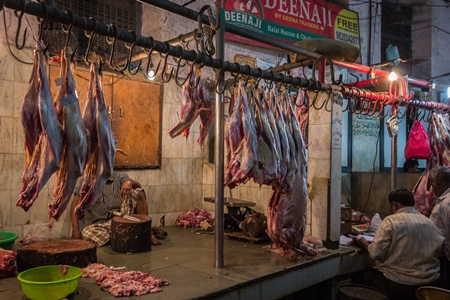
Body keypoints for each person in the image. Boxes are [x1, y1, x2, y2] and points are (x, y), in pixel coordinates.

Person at [352, 187, 444, 300]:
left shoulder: (390, 221)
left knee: (358, 278)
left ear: (394, 205)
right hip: (429, 285)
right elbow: (440, 250)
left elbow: (376, 254)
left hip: (397, 283)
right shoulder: (429, 222)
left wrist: (364, 243)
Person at [70, 171, 161, 246]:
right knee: (86, 232)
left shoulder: (120, 176)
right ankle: (129, 235)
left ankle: (145, 232)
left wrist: (129, 183)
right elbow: (75, 204)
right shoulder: (85, 180)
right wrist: (75, 230)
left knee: (137, 192)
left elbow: (138, 186)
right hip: (104, 226)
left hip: (123, 219)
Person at [429, 166, 450, 289]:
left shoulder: (447, 203)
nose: (431, 189)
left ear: (438, 183)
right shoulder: (443, 200)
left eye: (432, 185)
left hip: (446, 257)